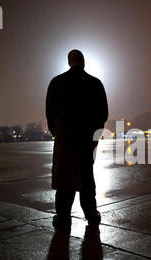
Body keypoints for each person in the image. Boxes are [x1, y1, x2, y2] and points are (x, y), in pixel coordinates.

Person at [46, 49, 108, 229]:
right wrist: (95, 137)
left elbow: (49, 112)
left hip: (65, 141)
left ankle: (63, 217)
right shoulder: (95, 83)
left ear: (68, 62)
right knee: (86, 179)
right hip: (85, 140)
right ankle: (91, 214)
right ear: (83, 62)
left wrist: (56, 133)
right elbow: (102, 113)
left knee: (64, 180)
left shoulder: (56, 82)